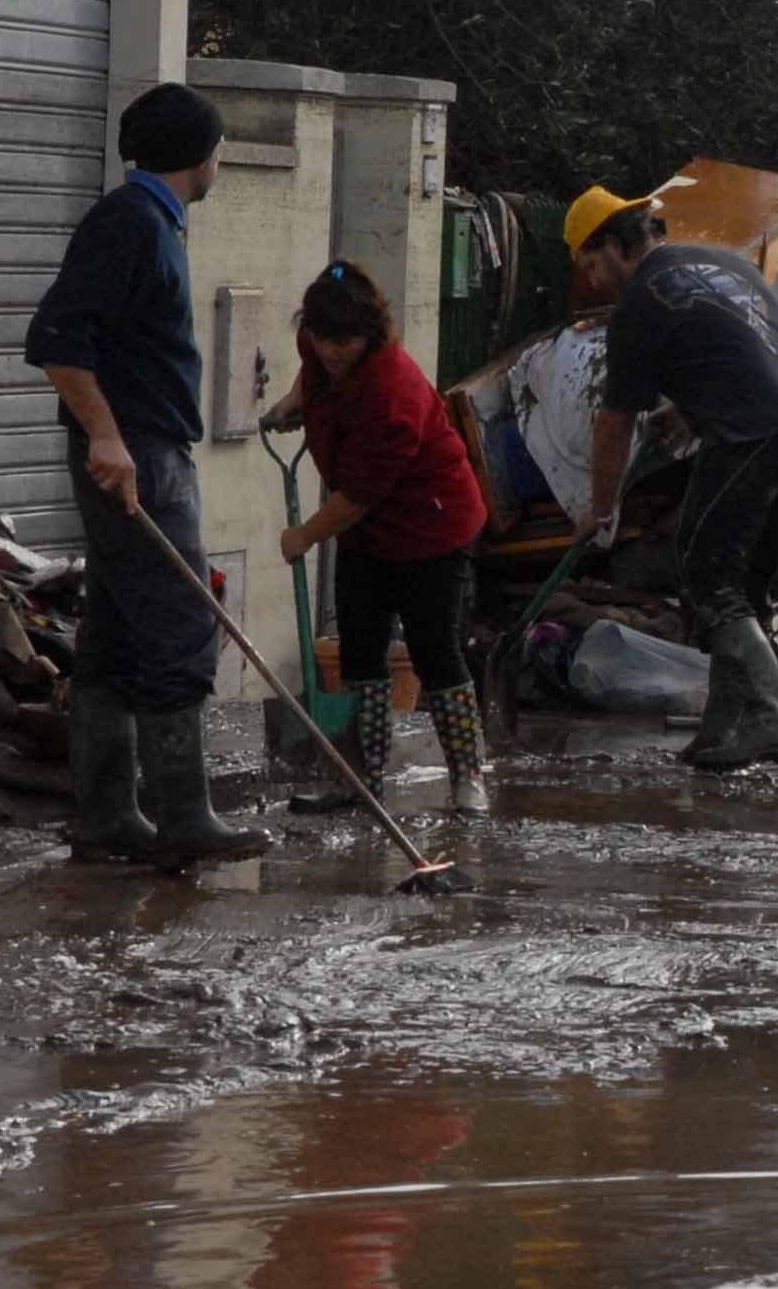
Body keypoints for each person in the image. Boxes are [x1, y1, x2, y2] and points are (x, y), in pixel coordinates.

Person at [25, 81, 268, 867]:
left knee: (118, 630)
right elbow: (57, 339)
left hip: (146, 450)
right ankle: (183, 817)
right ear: (201, 154)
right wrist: (105, 435)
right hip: (141, 456)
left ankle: (107, 816)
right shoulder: (130, 223)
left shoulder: (147, 222)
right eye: (218, 148)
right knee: (177, 625)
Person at [570, 185, 778, 769]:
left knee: (705, 577)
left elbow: (613, 422)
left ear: (613, 246)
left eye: (590, 265)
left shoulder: (640, 302)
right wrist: (686, 410)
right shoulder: (725, 264)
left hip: (749, 436)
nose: (592, 281)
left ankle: (771, 718)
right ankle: (722, 728)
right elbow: (739, 350)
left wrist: (602, 510)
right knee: (743, 589)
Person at [258, 260, 493, 815]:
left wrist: (303, 536)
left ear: (370, 334)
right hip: (366, 532)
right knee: (360, 649)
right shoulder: (317, 344)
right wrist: (295, 401)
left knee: (434, 650)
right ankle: (359, 780)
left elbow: (359, 496)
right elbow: (311, 372)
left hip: (433, 525)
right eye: (322, 339)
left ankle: (468, 778)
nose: (331, 351)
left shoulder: (394, 393)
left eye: (344, 342)